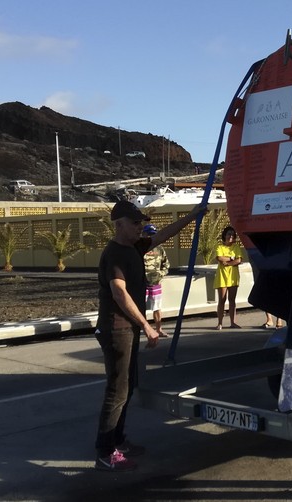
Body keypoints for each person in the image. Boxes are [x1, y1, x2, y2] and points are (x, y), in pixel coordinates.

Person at [94, 200, 204, 472]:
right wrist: (146, 324)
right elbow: (119, 293)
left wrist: (192, 216)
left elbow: (164, 234)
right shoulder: (116, 254)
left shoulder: (134, 247)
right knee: (117, 390)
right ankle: (106, 452)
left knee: (127, 387)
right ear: (119, 225)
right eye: (135, 223)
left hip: (126, 328)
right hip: (116, 327)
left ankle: (118, 441)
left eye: (140, 222)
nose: (139, 227)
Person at [214, 226, 247, 330]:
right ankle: (220, 323)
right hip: (222, 276)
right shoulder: (220, 247)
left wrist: (228, 263)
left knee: (232, 300)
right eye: (229, 234)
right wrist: (232, 258)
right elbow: (219, 258)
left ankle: (233, 322)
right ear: (225, 235)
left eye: (232, 234)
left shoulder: (236, 247)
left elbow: (239, 260)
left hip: (233, 276)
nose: (231, 236)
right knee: (222, 300)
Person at [142, 224, 169, 338]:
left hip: (156, 284)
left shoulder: (160, 248)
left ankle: (159, 329)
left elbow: (166, 264)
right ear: (143, 234)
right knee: (141, 308)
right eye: (148, 234)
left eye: (153, 235)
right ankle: (144, 329)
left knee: (157, 308)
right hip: (142, 284)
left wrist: (160, 275)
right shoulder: (140, 248)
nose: (150, 237)